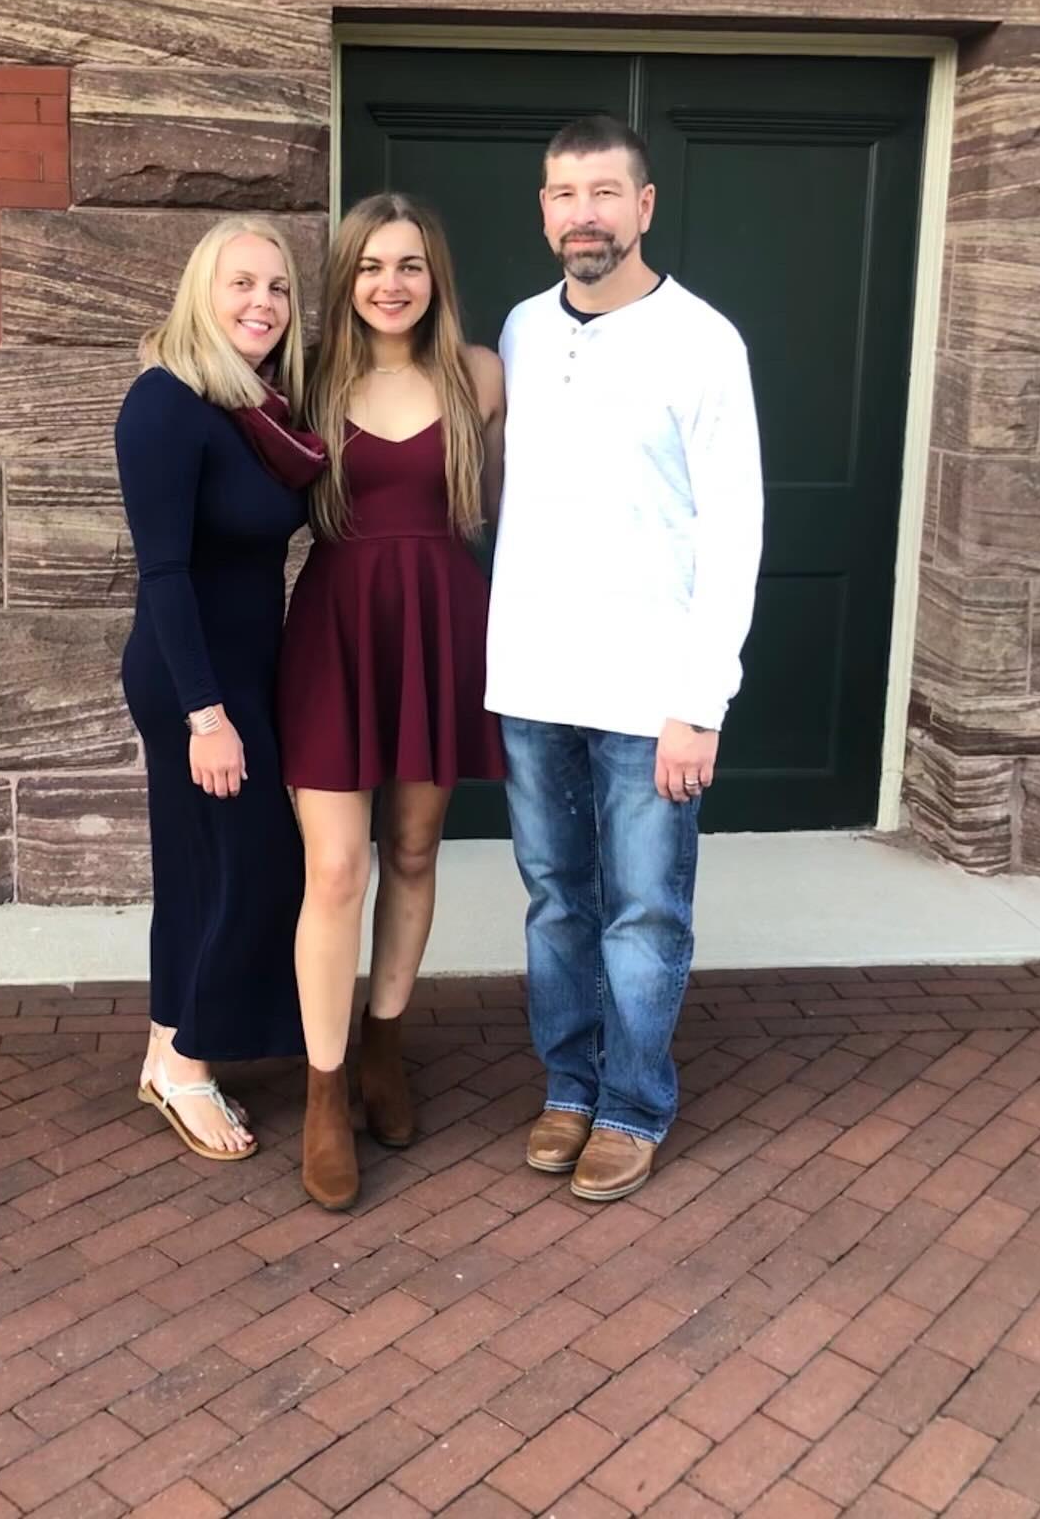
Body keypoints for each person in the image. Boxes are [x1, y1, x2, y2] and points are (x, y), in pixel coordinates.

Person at [486, 116, 763, 1202]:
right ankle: (567, 1086)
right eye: (563, 194)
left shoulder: (702, 341)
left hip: (652, 693)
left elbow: (736, 528)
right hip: (533, 679)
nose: (583, 214)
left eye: (605, 192)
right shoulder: (516, 329)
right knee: (556, 899)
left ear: (644, 207)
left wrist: (703, 701)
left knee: (646, 907)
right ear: (545, 210)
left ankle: (633, 1103)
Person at [279, 192, 506, 1210]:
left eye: (409, 264)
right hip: (334, 631)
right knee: (334, 870)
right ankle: (326, 1093)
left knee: (412, 851)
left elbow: (515, 506)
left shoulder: (479, 376)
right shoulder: (305, 377)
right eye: (371, 265)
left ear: (434, 277)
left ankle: (385, 1044)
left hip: (441, 627)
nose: (390, 283)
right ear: (347, 279)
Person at [115, 215, 325, 1162]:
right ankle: (190, 1065)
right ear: (203, 290)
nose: (262, 303)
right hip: (191, 683)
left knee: (205, 867)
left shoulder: (260, 407)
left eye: (277, 287)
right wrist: (208, 718)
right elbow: (164, 574)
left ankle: (170, 1050)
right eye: (241, 284)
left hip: (243, 675)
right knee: (245, 867)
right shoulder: (165, 403)